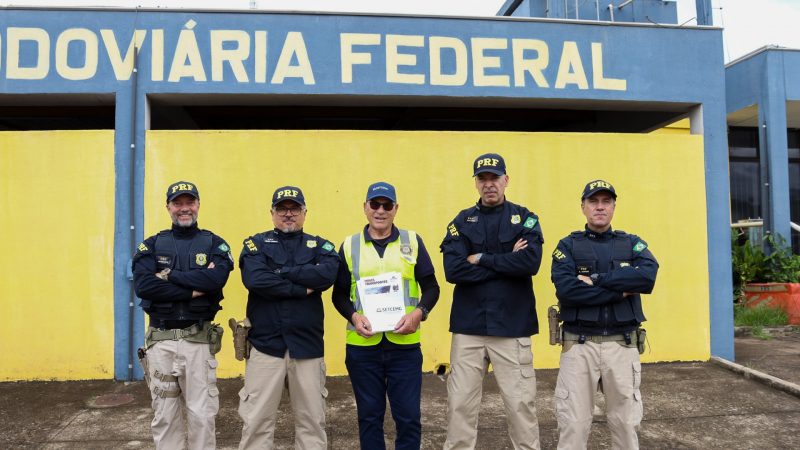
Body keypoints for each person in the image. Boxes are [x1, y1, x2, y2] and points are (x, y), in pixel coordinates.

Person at [441, 153, 544, 450]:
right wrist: (507, 260)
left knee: (520, 406)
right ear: (476, 183)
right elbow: (454, 270)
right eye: (482, 178)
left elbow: (530, 262)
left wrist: (482, 258)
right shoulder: (461, 221)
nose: (489, 184)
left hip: (512, 327)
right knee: (459, 406)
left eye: (494, 178)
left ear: (506, 180)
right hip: (468, 328)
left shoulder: (525, 218)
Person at [550, 180, 659, 449]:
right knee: (573, 424)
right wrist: (621, 289)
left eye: (606, 202)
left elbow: (646, 278)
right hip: (579, 346)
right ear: (583, 207)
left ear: (613, 206)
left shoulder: (633, 244)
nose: (600, 207)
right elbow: (568, 291)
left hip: (622, 346)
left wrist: (596, 279)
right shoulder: (567, 246)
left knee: (625, 424)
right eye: (593, 202)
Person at [331, 181, 440, 450]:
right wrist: (354, 318)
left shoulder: (412, 241)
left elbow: (432, 287)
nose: (381, 210)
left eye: (387, 205)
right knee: (369, 417)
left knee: (409, 418)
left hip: (404, 346)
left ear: (395, 208)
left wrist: (419, 313)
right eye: (375, 204)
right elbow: (339, 295)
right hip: (362, 348)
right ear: (365, 207)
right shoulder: (349, 245)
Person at [132, 180, 234, 450]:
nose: (184, 208)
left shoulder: (215, 244)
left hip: (198, 342)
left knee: (202, 416)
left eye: (190, 202)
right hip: (161, 343)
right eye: (178, 203)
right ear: (168, 207)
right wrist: (191, 291)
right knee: (165, 417)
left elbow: (215, 280)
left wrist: (167, 276)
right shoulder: (151, 245)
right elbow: (144, 286)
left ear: (198, 205)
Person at [237, 185, 339, 449]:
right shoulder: (255, 243)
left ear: (305, 212)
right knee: (256, 421)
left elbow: (326, 275)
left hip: (307, 347)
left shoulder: (322, 246)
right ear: (272, 212)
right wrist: (301, 284)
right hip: (265, 346)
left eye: (294, 208)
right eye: (282, 208)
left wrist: (278, 271)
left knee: (312, 423)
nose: (288, 214)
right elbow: (255, 279)